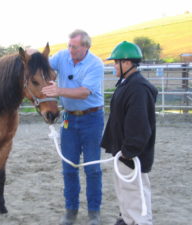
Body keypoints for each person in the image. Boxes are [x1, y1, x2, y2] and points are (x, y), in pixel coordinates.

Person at [41, 29, 105, 225]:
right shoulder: (62, 56)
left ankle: (94, 212)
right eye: (69, 45)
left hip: (92, 119)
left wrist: (59, 90)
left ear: (85, 47)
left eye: (74, 47)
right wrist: (31, 54)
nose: (70, 50)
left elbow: (85, 92)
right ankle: (71, 210)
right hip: (69, 119)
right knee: (68, 167)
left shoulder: (95, 64)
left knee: (92, 167)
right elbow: (42, 66)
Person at [101, 41, 158, 225]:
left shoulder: (138, 88)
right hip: (123, 152)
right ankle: (126, 220)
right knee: (126, 193)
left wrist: (129, 150)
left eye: (115, 62)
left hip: (131, 155)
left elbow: (140, 125)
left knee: (135, 195)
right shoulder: (128, 84)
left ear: (126, 63)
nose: (113, 66)